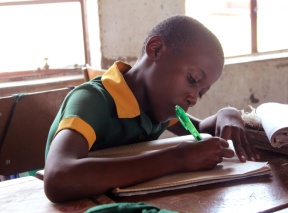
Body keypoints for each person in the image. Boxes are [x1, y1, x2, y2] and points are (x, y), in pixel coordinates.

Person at [44, 15, 260, 203]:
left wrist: (226, 114)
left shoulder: (160, 108)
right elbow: (58, 178)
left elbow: (200, 129)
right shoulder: (92, 100)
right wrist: (177, 159)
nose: (193, 99)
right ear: (155, 50)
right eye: (192, 79)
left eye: (201, 92)